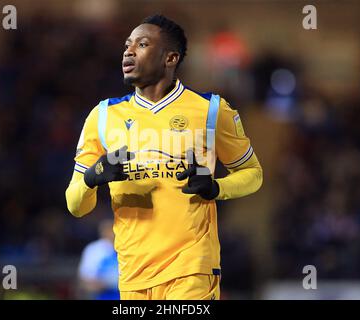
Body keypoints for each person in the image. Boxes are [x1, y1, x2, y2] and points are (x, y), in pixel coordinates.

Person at [66, 14, 263, 300]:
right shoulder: (103, 116)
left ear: (170, 58)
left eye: (142, 44)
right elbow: (76, 205)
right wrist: (92, 178)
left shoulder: (211, 110)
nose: (129, 51)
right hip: (132, 274)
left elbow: (253, 174)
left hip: (192, 268)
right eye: (127, 45)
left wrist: (216, 188)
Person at [77, 219, 120, 300]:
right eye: (108, 230)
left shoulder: (127, 248)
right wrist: (106, 284)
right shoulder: (94, 250)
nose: (112, 233)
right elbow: (84, 281)